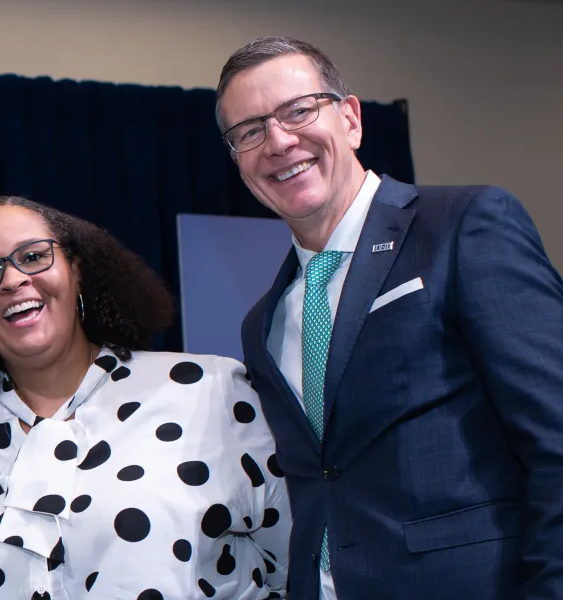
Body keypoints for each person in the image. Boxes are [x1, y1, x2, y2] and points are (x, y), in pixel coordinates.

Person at [217, 37, 563, 600]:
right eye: (249, 132)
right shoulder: (264, 322)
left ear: (350, 118)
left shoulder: (464, 226)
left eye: (298, 110)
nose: (278, 141)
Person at [0, 196, 290, 599]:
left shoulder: (208, 389)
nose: (12, 280)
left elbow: (303, 562)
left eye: (32, 257)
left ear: (76, 272)